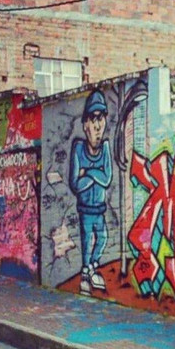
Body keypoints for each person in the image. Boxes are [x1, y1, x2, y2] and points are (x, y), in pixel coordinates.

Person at [69, 89, 112, 294]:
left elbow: (107, 179)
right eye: (93, 119)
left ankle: (93, 267)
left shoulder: (105, 148)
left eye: (100, 119)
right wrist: (97, 173)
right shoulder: (78, 148)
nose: (97, 126)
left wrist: (88, 172)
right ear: (85, 125)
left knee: (102, 239)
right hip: (85, 209)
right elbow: (75, 184)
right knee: (86, 242)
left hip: (100, 209)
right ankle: (85, 274)